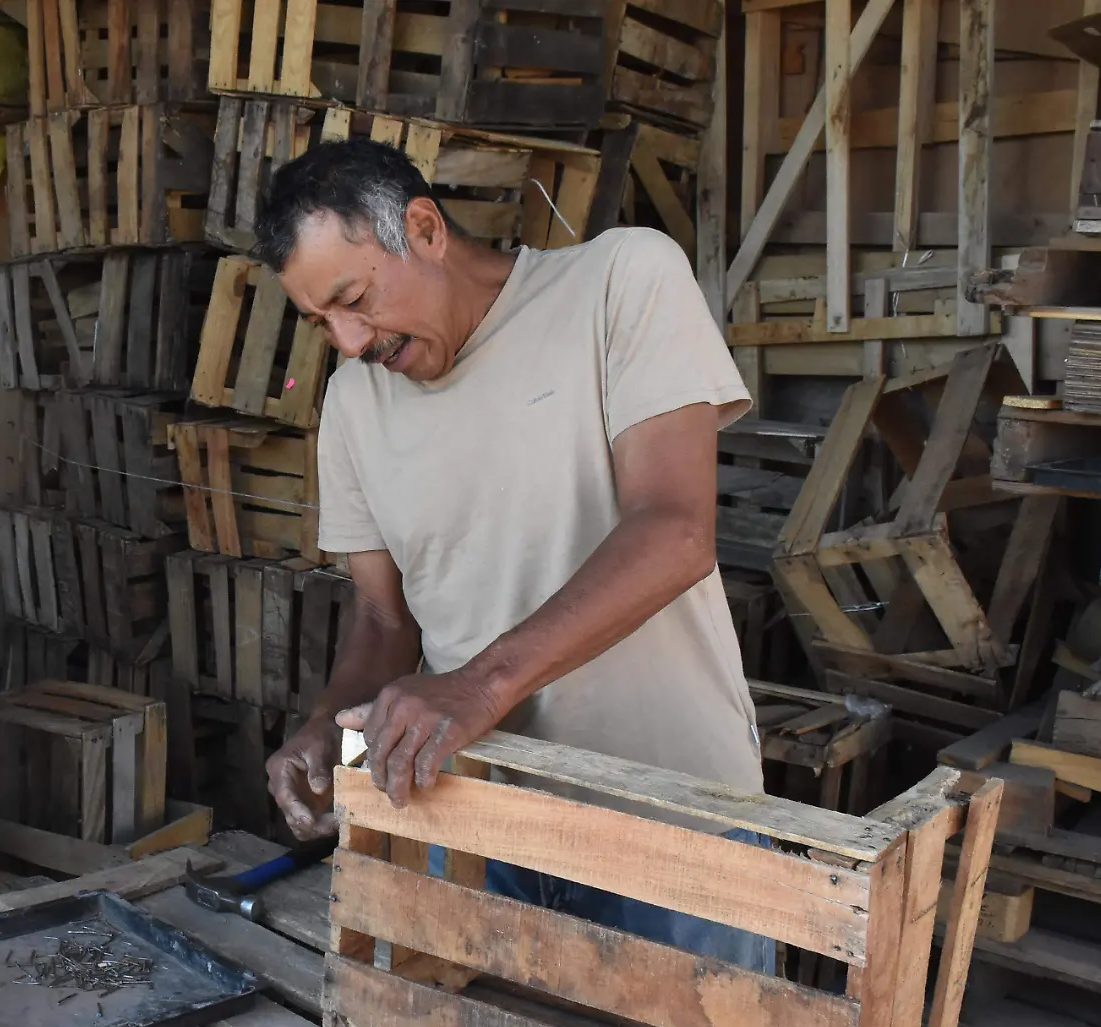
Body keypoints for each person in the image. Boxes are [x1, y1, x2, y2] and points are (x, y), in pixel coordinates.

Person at [255, 139, 772, 971]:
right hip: (473, 825)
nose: (349, 342)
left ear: (423, 228)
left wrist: (479, 685)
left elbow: (674, 529)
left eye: (354, 299)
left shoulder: (618, 282)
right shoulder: (355, 401)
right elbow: (387, 621)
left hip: (671, 821)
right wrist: (324, 727)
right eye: (322, 322)